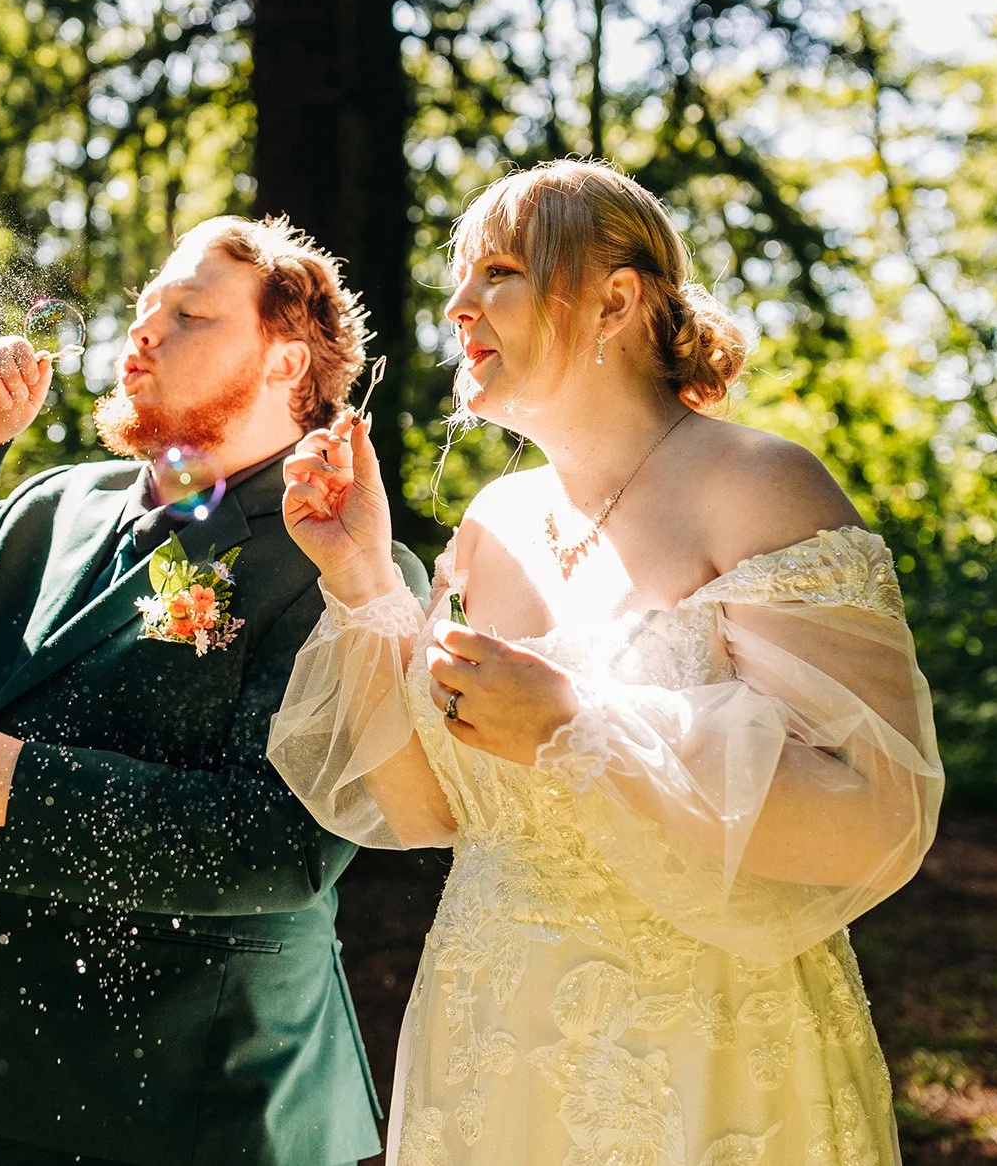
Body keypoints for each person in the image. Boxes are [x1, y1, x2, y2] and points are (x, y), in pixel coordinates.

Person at [269, 159, 943, 1165]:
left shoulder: (756, 484)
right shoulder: (491, 521)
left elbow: (875, 812)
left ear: (615, 299)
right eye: (459, 278)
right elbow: (428, 814)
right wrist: (364, 574)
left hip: (699, 1054)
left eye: (495, 270)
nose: (457, 306)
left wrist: (577, 725)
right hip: (486, 1043)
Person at [0, 215, 427, 1165]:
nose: (144, 332)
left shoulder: (346, 564)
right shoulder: (52, 503)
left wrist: (15, 791)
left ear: (286, 363)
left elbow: (280, 844)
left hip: (188, 1098)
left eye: (189, 314)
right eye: (144, 310)